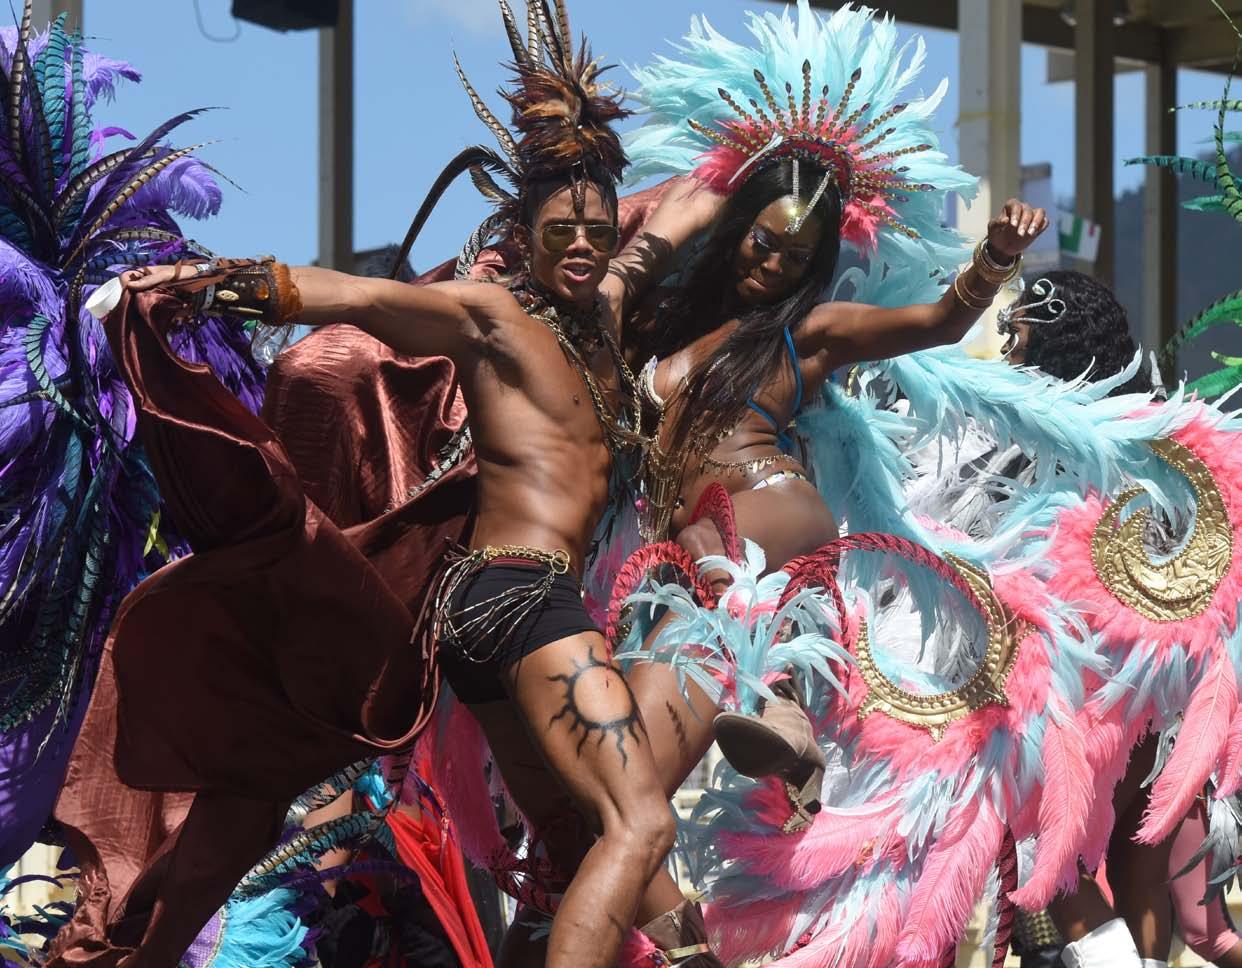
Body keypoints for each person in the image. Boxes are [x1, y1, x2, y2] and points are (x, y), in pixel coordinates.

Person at [44, 5, 709, 966]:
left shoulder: (603, 312)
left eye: (595, 231)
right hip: (518, 594)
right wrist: (202, 280)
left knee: (573, 844)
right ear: (522, 235)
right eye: (559, 230)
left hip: (485, 620)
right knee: (638, 823)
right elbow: (355, 296)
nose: (580, 245)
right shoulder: (494, 318)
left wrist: (777, 158)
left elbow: (679, 216)